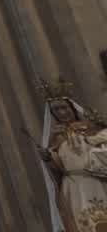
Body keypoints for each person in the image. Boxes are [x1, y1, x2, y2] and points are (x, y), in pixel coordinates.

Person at [40, 88, 107, 232]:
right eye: (56, 110)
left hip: (98, 181)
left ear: (72, 107)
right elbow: (57, 171)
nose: (62, 112)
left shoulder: (92, 129)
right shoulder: (56, 138)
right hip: (74, 187)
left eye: (64, 107)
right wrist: (48, 158)